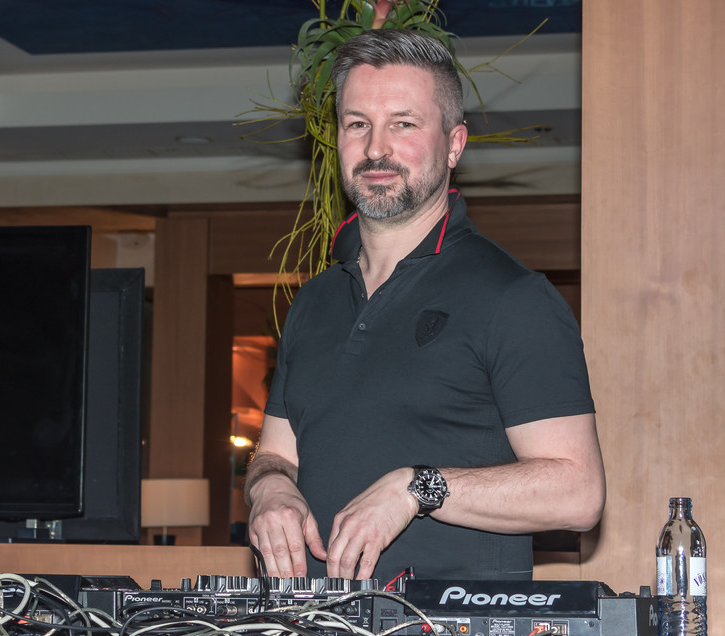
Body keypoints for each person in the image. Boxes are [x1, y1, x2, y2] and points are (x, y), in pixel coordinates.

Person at [244, 28, 605, 583]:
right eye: (357, 124)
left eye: (403, 124)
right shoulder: (314, 301)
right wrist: (270, 488)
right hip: (312, 618)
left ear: (454, 144)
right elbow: (276, 454)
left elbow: (579, 492)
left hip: (445, 619)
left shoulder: (512, 297)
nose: (376, 149)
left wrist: (417, 488)